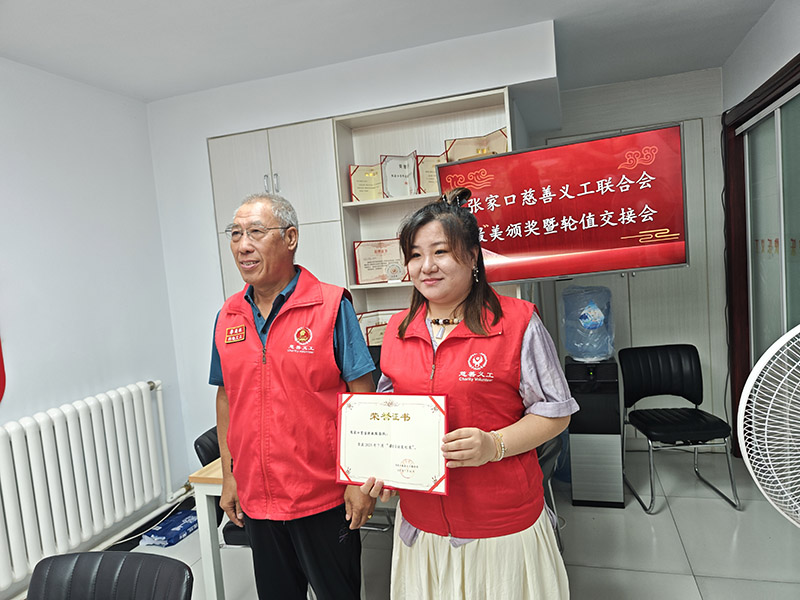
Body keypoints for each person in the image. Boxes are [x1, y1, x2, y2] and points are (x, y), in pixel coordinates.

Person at [361, 188, 578, 599]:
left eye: (440, 252)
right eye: (414, 255)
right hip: (422, 524)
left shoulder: (517, 323)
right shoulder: (397, 329)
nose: (426, 266)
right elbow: (389, 414)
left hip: (499, 524)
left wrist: (494, 445)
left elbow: (555, 412)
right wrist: (385, 468)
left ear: (473, 256)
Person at [209, 193, 377, 600]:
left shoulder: (331, 306)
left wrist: (360, 480)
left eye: (255, 232)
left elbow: (363, 397)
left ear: (290, 238)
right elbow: (227, 397)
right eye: (235, 234)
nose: (243, 245)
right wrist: (230, 477)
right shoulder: (228, 315)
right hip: (259, 498)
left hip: (322, 497)